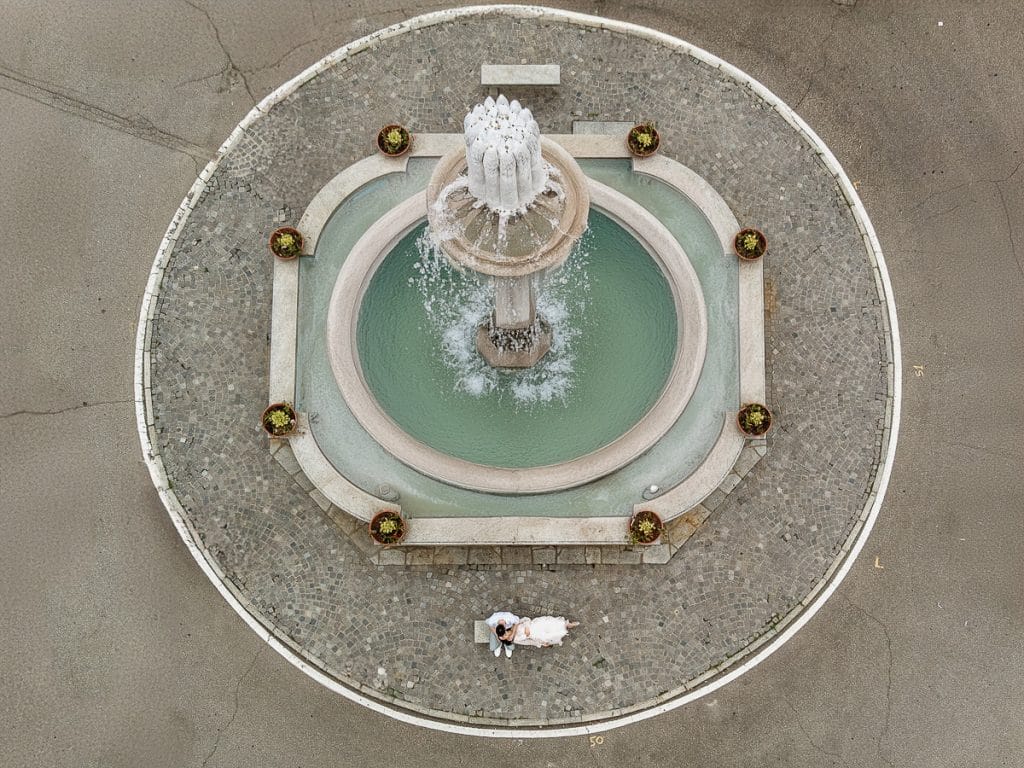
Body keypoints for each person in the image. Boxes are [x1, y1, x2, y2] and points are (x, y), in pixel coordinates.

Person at [511, 616, 579, 648]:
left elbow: (526, 619)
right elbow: (528, 642)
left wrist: (527, 626)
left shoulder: (514, 624)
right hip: (535, 635)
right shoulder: (516, 640)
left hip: (533, 625)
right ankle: (564, 629)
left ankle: (567, 624)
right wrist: (540, 644)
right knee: (550, 635)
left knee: (549, 623)